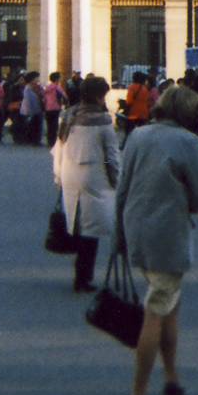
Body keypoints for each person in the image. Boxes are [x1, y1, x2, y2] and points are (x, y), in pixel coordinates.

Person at [115, 85, 198, 395]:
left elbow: (122, 187)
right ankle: (139, 394)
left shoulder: (138, 135)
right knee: (157, 310)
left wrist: (119, 236)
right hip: (168, 234)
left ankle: (171, 377)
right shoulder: (189, 142)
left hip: (136, 229)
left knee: (170, 303)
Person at [52, 75, 119, 292]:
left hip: (69, 172)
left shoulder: (69, 115)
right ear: (99, 96)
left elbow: (59, 147)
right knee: (92, 227)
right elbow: (110, 156)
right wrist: (115, 178)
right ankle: (83, 277)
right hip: (94, 174)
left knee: (77, 221)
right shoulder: (102, 120)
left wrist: (58, 175)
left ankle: (80, 272)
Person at [19, 72, 44, 146]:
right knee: (32, 126)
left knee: (38, 126)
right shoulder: (27, 88)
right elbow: (28, 101)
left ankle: (37, 140)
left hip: (38, 109)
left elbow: (42, 95)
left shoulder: (37, 87)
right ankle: (32, 140)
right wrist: (30, 112)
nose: (38, 79)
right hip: (29, 110)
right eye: (36, 78)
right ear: (32, 79)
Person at [43, 72, 67, 146]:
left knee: (49, 125)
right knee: (54, 125)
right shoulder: (57, 87)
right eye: (60, 77)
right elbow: (64, 96)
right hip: (55, 107)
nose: (61, 79)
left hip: (47, 108)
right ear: (57, 79)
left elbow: (44, 97)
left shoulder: (47, 87)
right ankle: (53, 141)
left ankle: (49, 141)